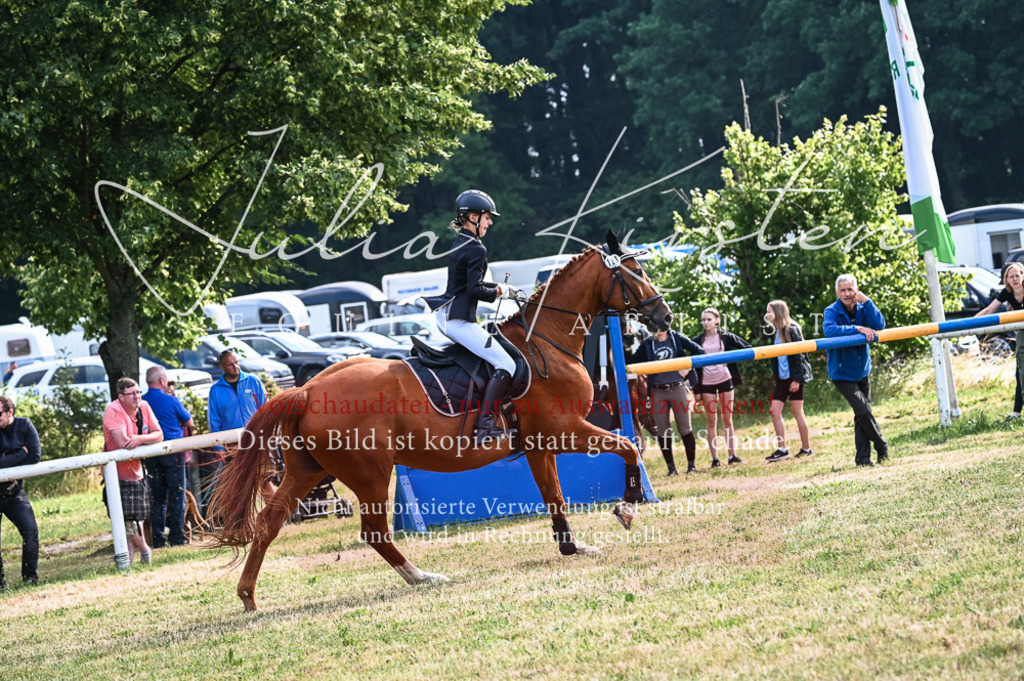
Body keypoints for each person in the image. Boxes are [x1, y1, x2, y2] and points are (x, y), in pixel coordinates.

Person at [424, 189, 523, 445]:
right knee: (507, 364)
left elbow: (471, 287)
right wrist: (501, 290)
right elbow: (475, 289)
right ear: (472, 217)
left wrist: (500, 289)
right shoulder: (476, 248)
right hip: (458, 320)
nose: (490, 222)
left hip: (449, 316)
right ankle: (485, 424)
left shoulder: (461, 243)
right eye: (487, 217)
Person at [823, 274, 888, 467]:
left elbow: (880, 325)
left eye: (850, 289)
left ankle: (863, 459)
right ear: (837, 292)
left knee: (861, 416)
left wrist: (868, 302)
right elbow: (830, 331)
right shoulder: (831, 310)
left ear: (856, 290)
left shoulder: (862, 306)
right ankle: (882, 445)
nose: (847, 294)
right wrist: (858, 328)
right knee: (863, 410)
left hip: (862, 370)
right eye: (843, 290)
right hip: (842, 372)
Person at [102, 377, 164, 564]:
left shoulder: (144, 407)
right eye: (132, 394)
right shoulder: (113, 410)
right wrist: (140, 439)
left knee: (135, 520)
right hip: (117, 475)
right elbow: (122, 443)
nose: (137, 397)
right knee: (128, 521)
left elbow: (159, 434)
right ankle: (145, 551)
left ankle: (128, 564)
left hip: (137, 472)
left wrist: (138, 439)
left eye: (138, 392)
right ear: (120, 396)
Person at [630, 328, 705, 475]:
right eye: (653, 324)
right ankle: (671, 469)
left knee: (685, 428)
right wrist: (625, 346)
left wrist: (688, 367)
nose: (657, 327)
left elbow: (699, 351)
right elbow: (632, 362)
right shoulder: (648, 343)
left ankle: (692, 466)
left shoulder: (676, 338)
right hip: (658, 391)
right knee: (663, 431)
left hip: (677, 388)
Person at [206, 349, 267, 513]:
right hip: (231, 444)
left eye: (236, 362)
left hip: (256, 439)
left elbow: (265, 408)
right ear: (222, 367)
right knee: (238, 482)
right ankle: (243, 517)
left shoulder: (253, 381)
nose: (236, 367)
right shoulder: (216, 391)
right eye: (230, 364)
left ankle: (276, 515)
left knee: (264, 479)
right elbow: (214, 421)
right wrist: (218, 448)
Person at [142, 366, 194, 548]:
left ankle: (157, 539)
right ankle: (177, 537)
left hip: (151, 453)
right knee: (177, 494)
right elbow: (189, 421)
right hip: (173, 452)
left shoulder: (141, 402)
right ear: (163, 381)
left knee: (158, 498)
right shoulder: (171, 400)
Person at [693, 307, 751, 467]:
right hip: (706, 383)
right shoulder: (698, 340)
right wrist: (696, 390)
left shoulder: (725, 337)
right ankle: (715, 459)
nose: (705, 322)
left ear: (717, 321)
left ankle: (732, 456)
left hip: (725, 379)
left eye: (709, 319)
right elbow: (689, 362)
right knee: (711, 421)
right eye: (703, 319)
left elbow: (747, 347)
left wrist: (730, 359)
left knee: (727, 419)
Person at [763, 300, 813, 462]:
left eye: (769, 311)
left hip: (794, 378)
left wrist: (797, 380)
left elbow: (800, 356)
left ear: (777, 312)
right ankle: (782, 449)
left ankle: (806, 448)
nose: (766, 314)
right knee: (774, 411)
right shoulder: (775, 331)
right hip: (782, 379)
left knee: (797, 412)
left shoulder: (791, 329)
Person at [975, 261, 1024, 420]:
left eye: (1018, 275)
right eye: (1012, 277)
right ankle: (1016, 413)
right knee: (1020, 373)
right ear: (1007, 280)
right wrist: (971, 322)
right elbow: (990, 310)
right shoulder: (1007, 293)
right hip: (1022, 334)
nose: (1015, 279)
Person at [0, 395, 40, 587]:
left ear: (10, 412)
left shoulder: (25, 425)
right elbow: (27, 454)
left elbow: (35, 456)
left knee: (30, 531)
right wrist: (21, 453)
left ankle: (30, 577)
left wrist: (9, 460)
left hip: (14, 492)